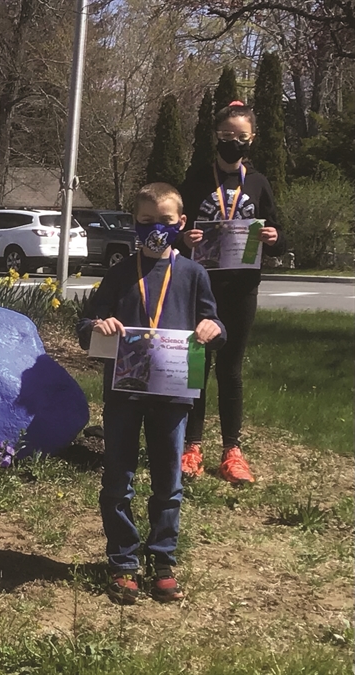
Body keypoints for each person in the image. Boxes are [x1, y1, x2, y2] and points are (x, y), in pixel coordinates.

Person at [77, 183, 226, 605]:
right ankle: (123, 561)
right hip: (123, 395)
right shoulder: (120, 273)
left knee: (168, 480)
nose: (154, 230)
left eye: (163, 222)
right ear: (133, 224)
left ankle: (163, 559)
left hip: (173, 397)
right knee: (117, 480)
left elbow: (215, 325)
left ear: (180, 224)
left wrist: (213, 330)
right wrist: (96, 327)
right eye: (145, 223)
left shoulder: (194, 274)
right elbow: (86, 324)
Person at [179, 101, 286, 484]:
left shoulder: (257, 182)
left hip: (241, 289)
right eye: (226, 137)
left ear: (251, 139)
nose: (233, 143)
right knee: (197, 367)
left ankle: (232, 451)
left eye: (240, 138)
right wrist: (183, 237)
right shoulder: (194, 180)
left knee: (231, 370)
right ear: (216, 138)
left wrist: (274, 238)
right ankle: (191, 446)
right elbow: (175, 229)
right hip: (200, 288)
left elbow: (275, 230)